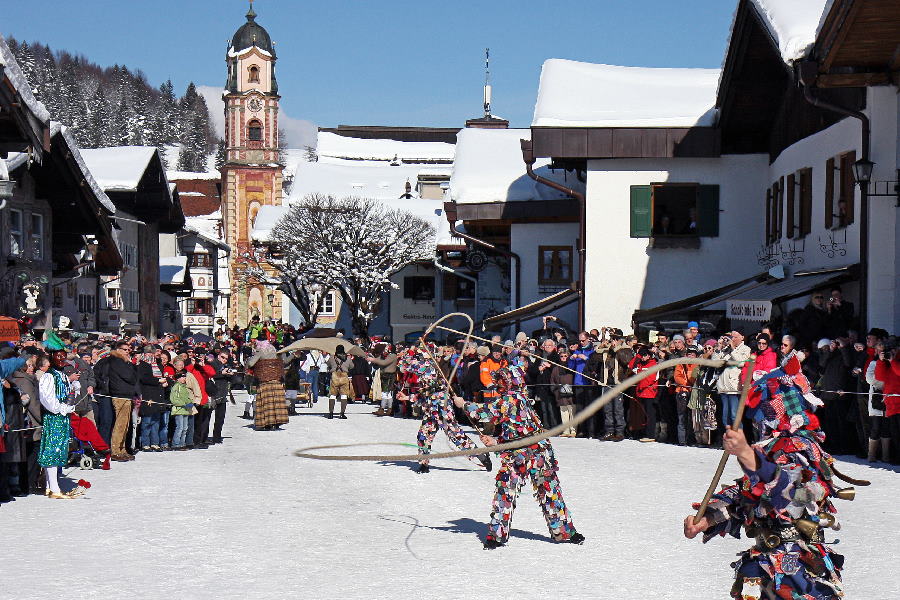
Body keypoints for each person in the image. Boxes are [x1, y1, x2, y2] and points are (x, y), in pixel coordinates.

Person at [683, 353, 850, 600]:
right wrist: (708, 518)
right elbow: (747, 493)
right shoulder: (771, 447)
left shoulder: (803, 448)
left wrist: (750, 459)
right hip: (766, 561)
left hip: (798, 566)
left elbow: (796, 496)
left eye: (766, 405)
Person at [453, 366, 584, 549]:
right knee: (514, 491)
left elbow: (486, 413)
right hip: (525, 453)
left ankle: (563, 531)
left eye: (500, 381)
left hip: (533, 454)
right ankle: (499, 535)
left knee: (540, 491)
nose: (497, 384)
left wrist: (463, 404)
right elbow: (515, 432)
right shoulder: (520, 398)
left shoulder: (512, 398)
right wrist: (495, 440)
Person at [397, 347, 490, 474]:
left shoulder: (427, 367)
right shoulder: (423, 371)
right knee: (423, 435)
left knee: (455, 434)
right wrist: (408, 397)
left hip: (442, 407)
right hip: (431, 408)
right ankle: (424, 463)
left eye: (414, 360)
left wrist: (409, 353)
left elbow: (409, 368)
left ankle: (480, 455)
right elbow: (426, 395)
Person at [37, 347, 78, 499]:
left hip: (63, 416)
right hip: (54, 416)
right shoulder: (49, 376)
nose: (61, 359)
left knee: (59, 448)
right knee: (53, 449)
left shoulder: (63, 375)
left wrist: (72, 397)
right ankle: (54, 488)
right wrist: (60, 409)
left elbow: (67, 395)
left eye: (63, 356)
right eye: (58, 356)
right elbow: (47, 398)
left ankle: (50, 485)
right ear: (52, 357)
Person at [96, 341, 140, 462]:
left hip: (126, 394)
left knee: (125, 425)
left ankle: (122, 449)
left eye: (128, 350)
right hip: (120, 395)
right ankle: (116, 450)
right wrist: (131, 365)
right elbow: (130, 377)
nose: (127, 352)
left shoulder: (123, 361)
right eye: (125, 349)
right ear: (118, 350)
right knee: (120, 424)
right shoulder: (117, 361)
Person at [246, 340, 289, 430]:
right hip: (277, 380)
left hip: (264, 381)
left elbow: (251, 363)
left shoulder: (260, 350)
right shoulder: (275, 350)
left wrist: (249, 359)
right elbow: (284, 362)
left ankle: (266, 423)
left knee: (266, 404)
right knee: (275, 403)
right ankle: (276, 423)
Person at [713, 330, 752, 431]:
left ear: (742, 337)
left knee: (735, 416)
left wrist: (733, 348)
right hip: (723, 387)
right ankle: (729, 440)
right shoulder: (726, 349)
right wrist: (718, 348)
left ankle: (738, 440)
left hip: (734, 387)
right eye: (731, 337)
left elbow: (741, 363)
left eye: (735, 337)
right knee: (725, 417)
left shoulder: (745, 349)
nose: (732, 339)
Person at [136, 346, 167, 452]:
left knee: (156, 420)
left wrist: (164, 381)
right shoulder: (142, 364)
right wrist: (158, 381)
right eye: (148, 353)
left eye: (152, 353)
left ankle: (155, 442)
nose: (150, 355)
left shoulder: (157, 364)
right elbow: (144, 378)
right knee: (147, 420)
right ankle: (145, 443)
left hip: (157, 394)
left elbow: (161, 375)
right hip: (147, 394)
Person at [550, 347, 576, 437]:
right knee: (563, 411)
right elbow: (552, 380)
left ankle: (573, 430)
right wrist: (555, 390)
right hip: (560, 392)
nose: (564, 358)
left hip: (571, 391)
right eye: (562, 356)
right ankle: (566, 430)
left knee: (572, 410)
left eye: (565, 356)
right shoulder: (556, 368)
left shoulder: (572, 367)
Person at [327, 345, 353, 419]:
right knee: (344, 395)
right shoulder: (348, 358)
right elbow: (352, 366)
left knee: (332, 395)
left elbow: (328, 364)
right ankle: (342, 413)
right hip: (344, 376)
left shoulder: (332, 357)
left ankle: (331, 413)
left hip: (334, 376)